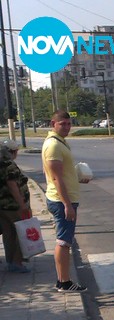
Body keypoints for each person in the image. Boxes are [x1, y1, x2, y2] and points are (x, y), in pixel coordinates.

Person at [42, 110, 90, 292]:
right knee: (64, 242)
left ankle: (63, 280)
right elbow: (55, 178)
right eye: (63, 124)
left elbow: (62, 174)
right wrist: (67, 205)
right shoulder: (53, 145)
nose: (67, 127)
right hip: (62, 200)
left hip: (64, 198)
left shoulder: (60, 142)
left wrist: (77, 178)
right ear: (53, 124)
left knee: (65, 241)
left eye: (69, 124)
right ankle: (64, 282)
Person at [0, 138, 31, 273]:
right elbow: (13, 186)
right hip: (13, 206)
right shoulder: (9, 165)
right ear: (13, 152)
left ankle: (10, 261)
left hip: (2, 206)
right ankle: (17, 262)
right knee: (20, 233)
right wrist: (22, 205)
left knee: (8, 234)